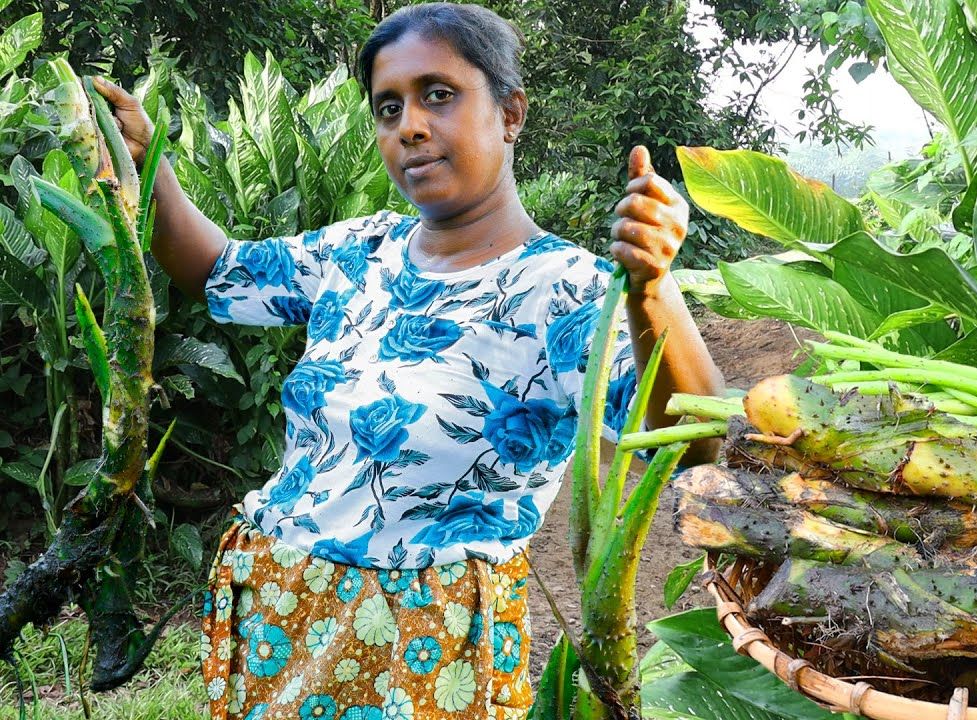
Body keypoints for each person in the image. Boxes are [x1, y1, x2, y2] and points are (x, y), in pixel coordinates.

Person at [95, 3, 724, 718]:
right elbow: (218, 271)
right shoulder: (360, 250)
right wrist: (152, 162)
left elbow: (695, 441)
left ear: (511, 112)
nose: (411, 126)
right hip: (276, 607)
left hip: (421, 647)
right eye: (388, 108)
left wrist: (653, 290)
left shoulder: (565, 290)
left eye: (439, 95)